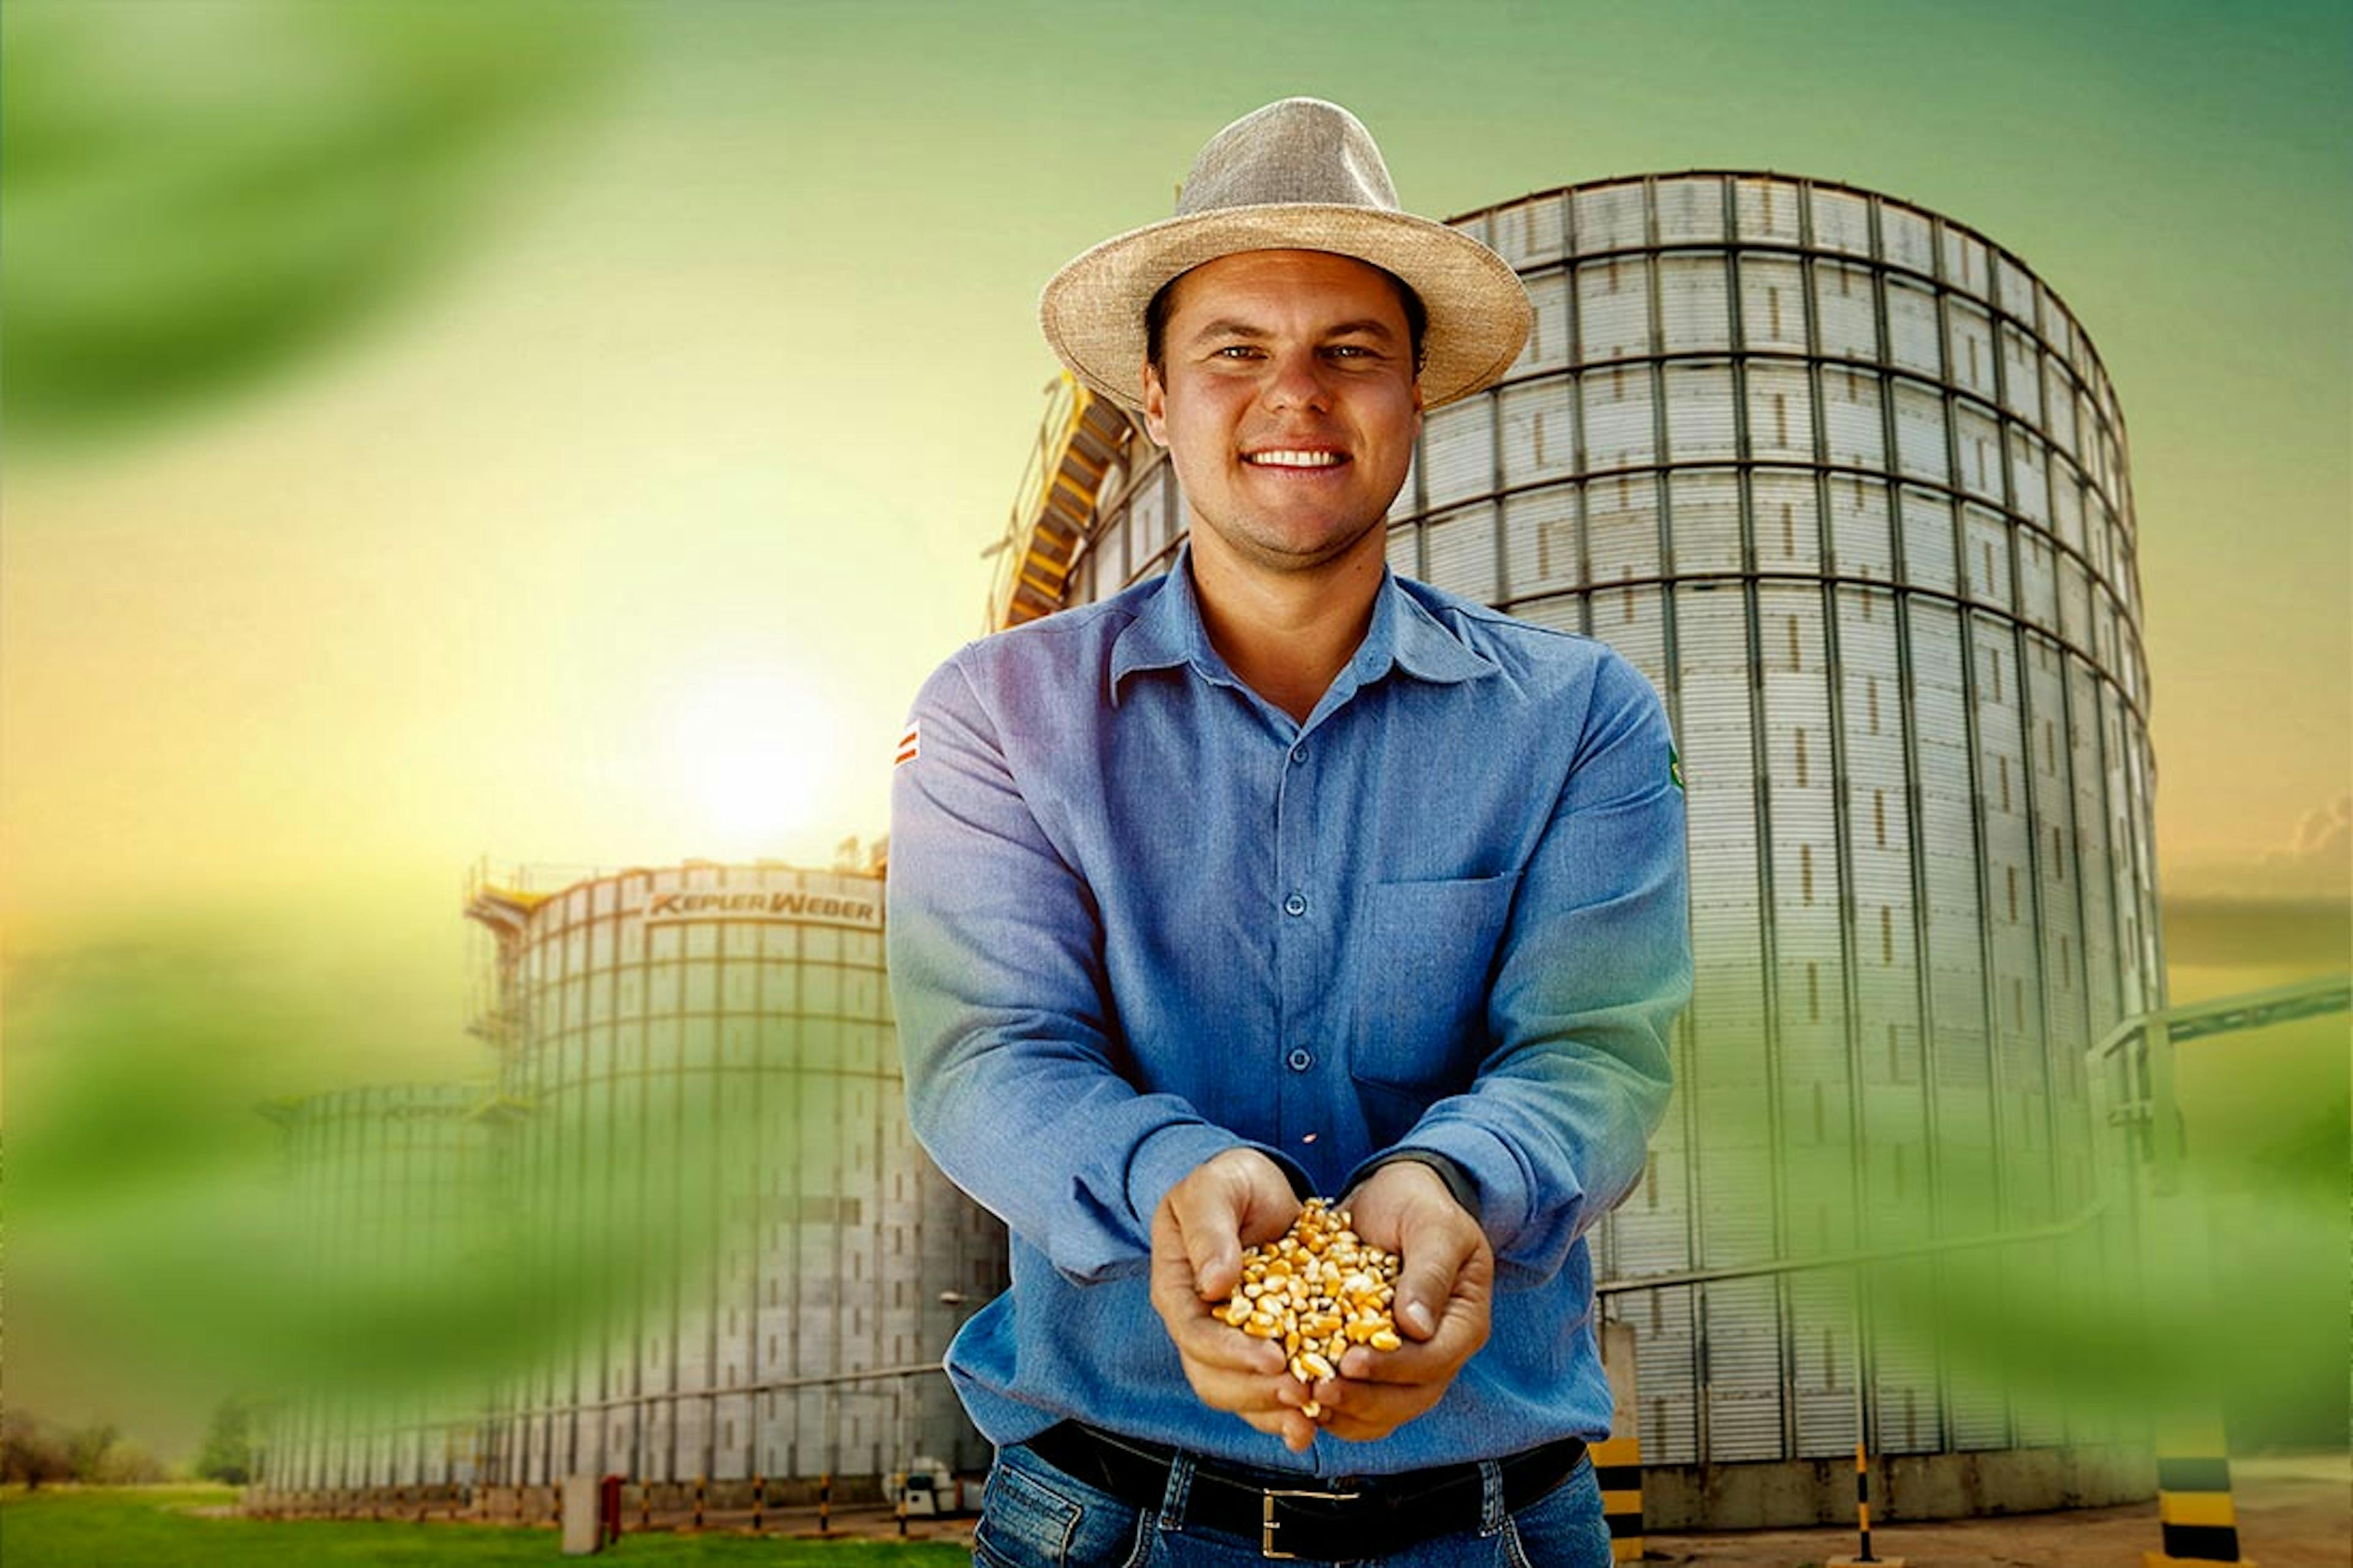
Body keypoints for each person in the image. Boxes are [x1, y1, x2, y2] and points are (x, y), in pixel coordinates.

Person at [888, 97, 1690, 1567]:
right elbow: (986, 1053)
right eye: (1236, 352)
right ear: (1155, 394)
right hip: (1108, 1519)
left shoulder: (1583, 718)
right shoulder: (1001, 714)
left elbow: (1596, 1052)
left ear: (1417, 394)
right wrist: (1174, 1178)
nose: (1295, 399)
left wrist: (1451, 1181)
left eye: (1349, 353)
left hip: (1500, 1524)